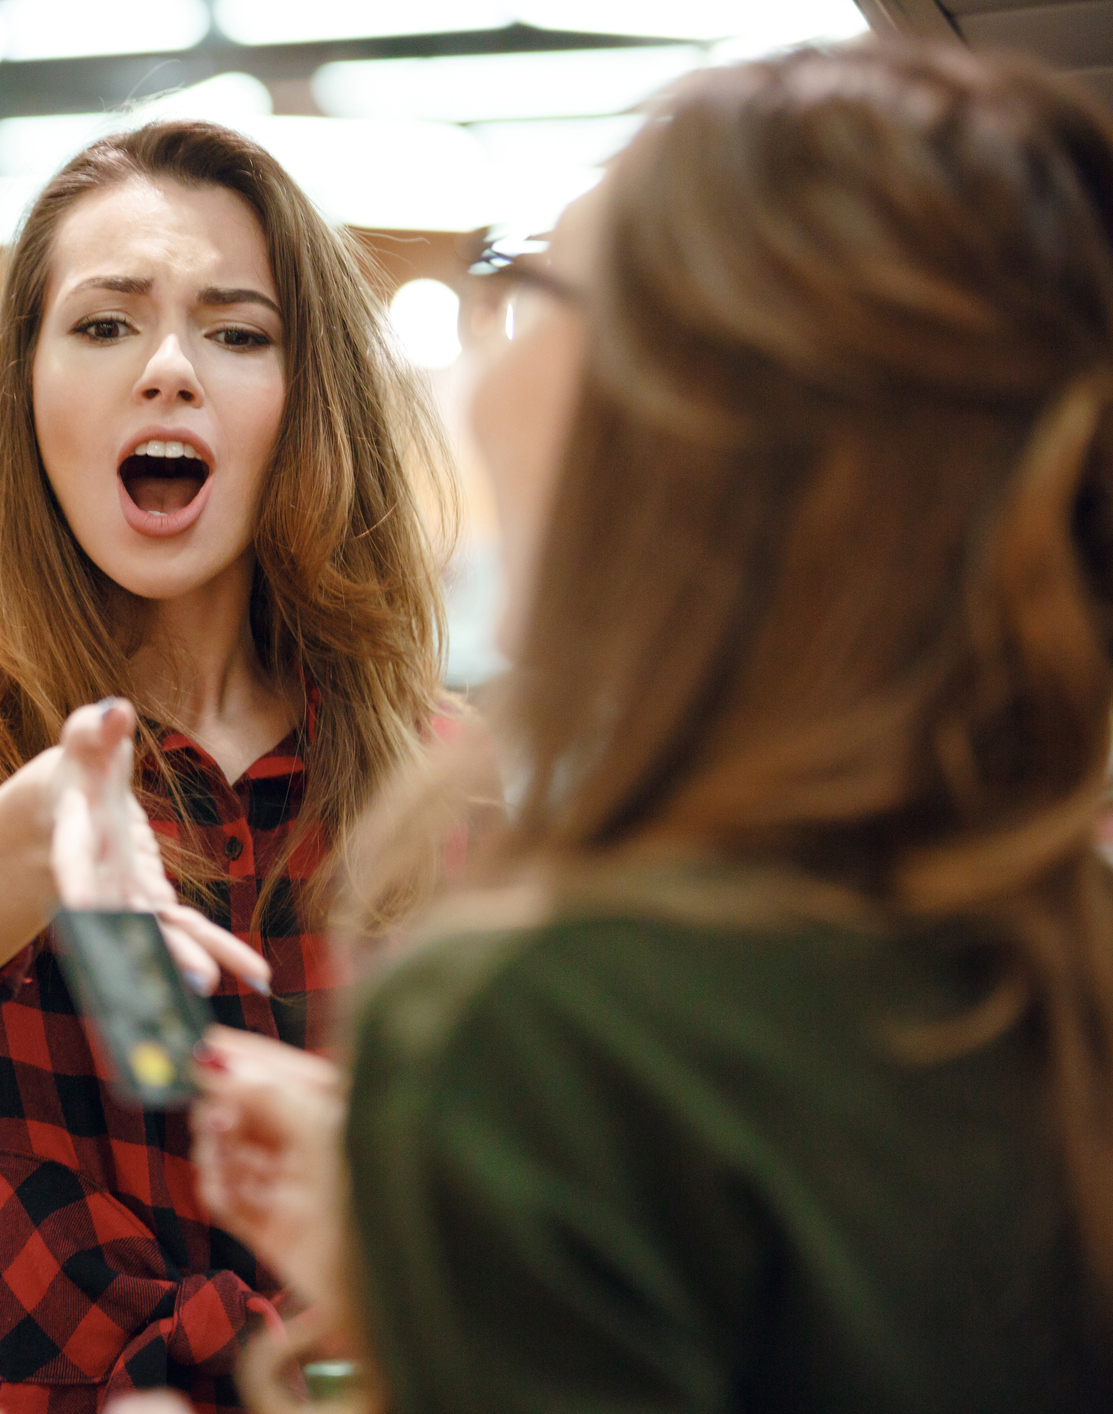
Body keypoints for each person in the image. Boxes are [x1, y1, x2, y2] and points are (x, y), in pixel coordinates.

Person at [192, 41, 1113, 1413]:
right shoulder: (1051, 949)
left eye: (531, 277)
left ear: (673, 429)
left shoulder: (535, 1031)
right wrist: (452, 1232)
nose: (479, 365)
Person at [0, 120, 452, 1414]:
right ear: (28, 390)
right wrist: (43, 822)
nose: (166, 369)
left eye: (236, 330)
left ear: (301, 395)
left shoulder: (429, 772)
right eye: (102, 327)